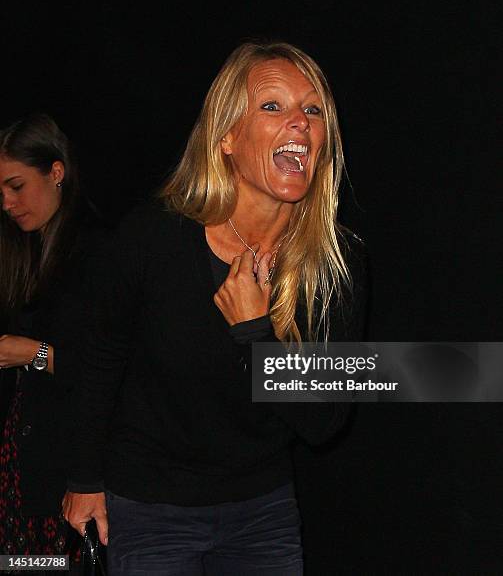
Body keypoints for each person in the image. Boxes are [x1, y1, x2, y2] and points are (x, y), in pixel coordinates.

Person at [63, 42, 367, 575]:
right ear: (227, 136)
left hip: (262, 511)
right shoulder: (154, 238)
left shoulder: (335, 264)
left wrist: (256, 333)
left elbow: (324, 421)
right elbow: (99, 357)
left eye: (313, 110)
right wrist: (84, 478)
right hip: (151, 507)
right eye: (272, 106)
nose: (299, 123)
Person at [0, 114, 99, 569]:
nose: (6, 202)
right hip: (21, 466)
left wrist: (29, 353)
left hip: (71, 473)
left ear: (55, 172)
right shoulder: (22, 250)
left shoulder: (96, 251)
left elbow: (104, 371)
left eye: (16, 186)